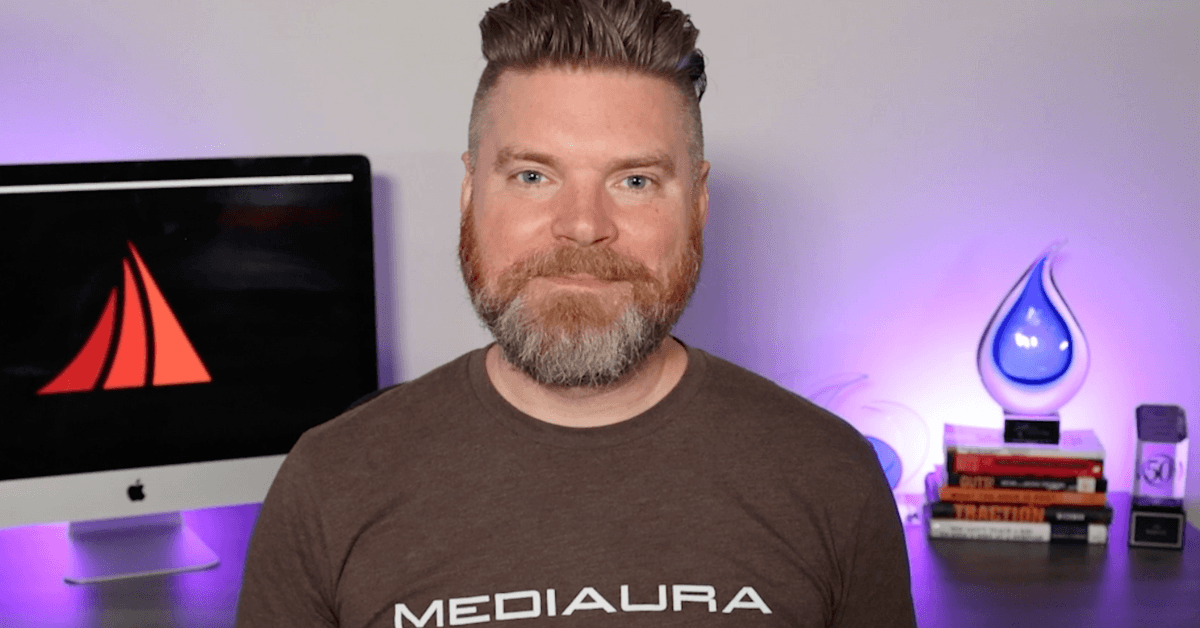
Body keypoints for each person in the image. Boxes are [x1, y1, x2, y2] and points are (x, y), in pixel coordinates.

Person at [235, 1, 917, 626]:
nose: (584, 227)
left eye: (635, 181)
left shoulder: (829, 474)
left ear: (698, 206)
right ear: (471, 192)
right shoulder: (329, 482)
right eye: (533, 176)